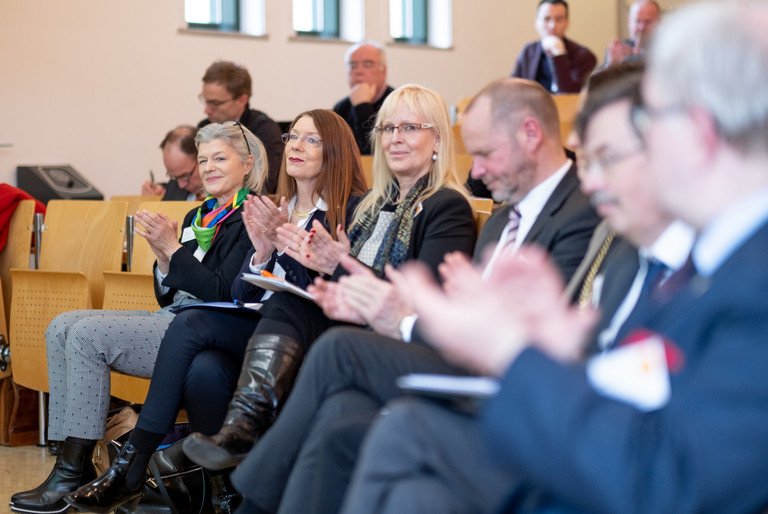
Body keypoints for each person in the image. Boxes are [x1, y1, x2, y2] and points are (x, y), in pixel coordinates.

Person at [345, 2, 768, 512]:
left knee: (409, 442)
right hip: (599, 456)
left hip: (614, 479)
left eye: (645, 126)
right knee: (414, 487)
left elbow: (670, 481)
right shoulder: (707, 258)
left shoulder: (746, 276)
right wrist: (561, 346)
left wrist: (512, 348)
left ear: (699, 130)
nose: (589, 177)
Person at [222, 77, 601, 514]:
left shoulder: (570, 214)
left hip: (493, 375)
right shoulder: (496, 222)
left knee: (339, 350)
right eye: (387, 130)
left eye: (484, 153)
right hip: (433, 345)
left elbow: (541, 331)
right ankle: (246, 477)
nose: (475, 171)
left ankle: (246, 484)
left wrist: (367, 286)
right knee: (339, 416)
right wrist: (301, 259)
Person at [50, 110, 368, 514]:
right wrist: (264, 252)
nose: (296, 146)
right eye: (292, 137)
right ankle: (222, 493)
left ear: (334, 151)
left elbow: (228, 291)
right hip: (254, 323)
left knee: (190, 320)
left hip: (301, 332)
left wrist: (304, 259)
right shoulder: (277, 208)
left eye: (311, 140)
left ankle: (133, 462)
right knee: (204, 368)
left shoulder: (346, 209)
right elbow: (237, 290)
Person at [180, 84, 478, 473]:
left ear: (437, 139)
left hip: (395, 337)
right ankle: (241, 429)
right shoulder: (374, 206)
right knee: (217, 354)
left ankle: (235, 442)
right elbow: (331, 279)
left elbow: (426, 306)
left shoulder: (445, 205)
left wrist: (333, 263)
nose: (395, 139)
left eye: (409, 128)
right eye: (387, 129)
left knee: (207, 326)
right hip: (348, 320)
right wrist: (286, 252)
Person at [9, 122, 267, 514]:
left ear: (247, 164)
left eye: (220, 158)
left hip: (202, 329)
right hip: (174, 314)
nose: (209, 167)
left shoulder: (252, 216)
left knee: (87, 336)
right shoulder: (201, 214)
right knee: (61, 324)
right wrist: (164, 258)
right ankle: (69, 464)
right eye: (203, 159)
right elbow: (167, 291)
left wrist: (172, 250)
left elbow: (221, 291)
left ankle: (71, 473)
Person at [198, 60, 284, 195]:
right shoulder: (204, 126)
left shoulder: (264, 130)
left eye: (215, 103)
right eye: (205, 101)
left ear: (242, 100)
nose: (207, 110)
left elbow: (265, 184)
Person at [512, 0, 597, 93]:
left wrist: (559, 55)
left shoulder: (584, 56)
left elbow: (571, 94)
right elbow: (513, 88)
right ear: (537, 23)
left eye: (559, 19)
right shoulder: (529, 51)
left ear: (567, 23)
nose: (552, 25)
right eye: (546, 19)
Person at [333, 41, 394, 155]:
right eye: (353, 65)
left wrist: (362, 106)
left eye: (368, 64)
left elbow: (377, 151)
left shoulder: (397, 103)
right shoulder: (341, 108)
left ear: (384, 71)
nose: (359, 71)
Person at [141, 125, 205, 200]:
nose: (181, 185)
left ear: (203, 159)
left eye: (185, 176)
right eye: (174, 177)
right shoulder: (173, 189)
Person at [605, 0, 662, 66]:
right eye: (637, 21)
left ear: (659, 23)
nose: (641, 27)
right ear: (629, 22)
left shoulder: (668, 49)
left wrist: (641, 55)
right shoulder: (619, 49)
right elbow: (600, 75)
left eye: (648, 22)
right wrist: (611, 64)